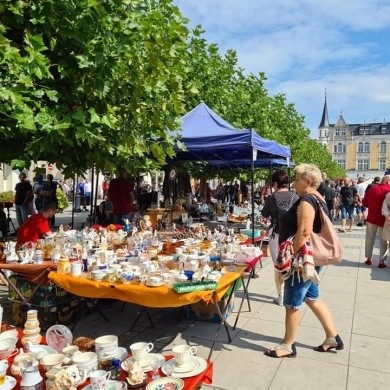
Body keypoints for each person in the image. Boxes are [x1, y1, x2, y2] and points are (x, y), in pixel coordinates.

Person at [264, 163, 343, 358]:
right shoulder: (317, 197)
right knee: (313, 298)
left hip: (301, 260)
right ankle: (332, 337)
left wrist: (290, 255)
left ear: (308, 181)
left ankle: (287, 345)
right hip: (308, 259)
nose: (294, 183)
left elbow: (305, 231)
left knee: (291, 303)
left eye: (297, 179)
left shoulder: (307, 199)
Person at [261, 169, 299, 305]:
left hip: (276, 235)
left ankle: (281, 296)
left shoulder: (272, 198)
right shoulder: (295, 197)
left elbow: (264, 214)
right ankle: (290, 292)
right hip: (291, 236)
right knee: (290, 264)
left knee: (278, 265)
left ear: (276, 183)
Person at [362, 175, 390, 268]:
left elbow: (365, 203)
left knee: (370, 238)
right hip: (384, 220)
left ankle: (369, 258)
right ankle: (381, 261)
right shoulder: (389, 190)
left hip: (372, 218)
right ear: (388, 181)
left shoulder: (372, 189)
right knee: (384, 240)